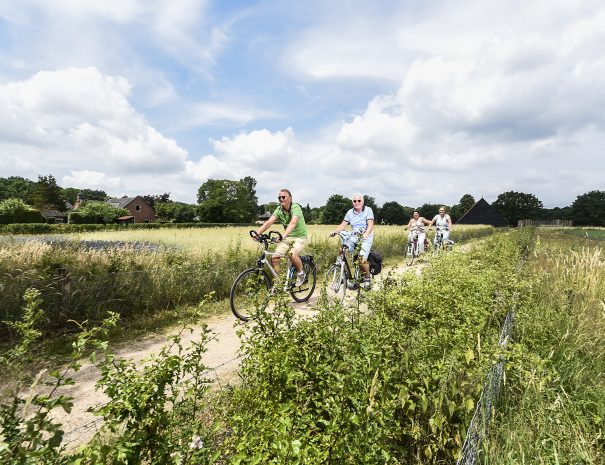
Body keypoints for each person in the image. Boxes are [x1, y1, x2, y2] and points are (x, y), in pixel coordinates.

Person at [254, 188, 308, 286]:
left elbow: (292, 223)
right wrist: (257, 233)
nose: (281, 199)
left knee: (292, 254)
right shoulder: (279, 210)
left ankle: (301, 274)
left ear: (290, 199)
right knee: (274, 257)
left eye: (283, 197)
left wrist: (283, 236)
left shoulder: (296, 207)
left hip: (300, 237)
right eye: (279, 197)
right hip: (287, 237)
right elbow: (269, 222)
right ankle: (280, 282)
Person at [329, 193, 375, 289]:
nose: (357, 202)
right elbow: (343, 224)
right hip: (354, 237)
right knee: (342, 250)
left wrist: (366, 234)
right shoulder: (350, 212)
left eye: (359, 201)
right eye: (355, 201)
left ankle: (367, 278)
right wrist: (335, 232)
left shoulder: (368, 210)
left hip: (366, 238)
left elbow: (370, 224)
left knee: (361, 260)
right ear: (352, 202)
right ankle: (342, 274)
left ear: (362, 202)